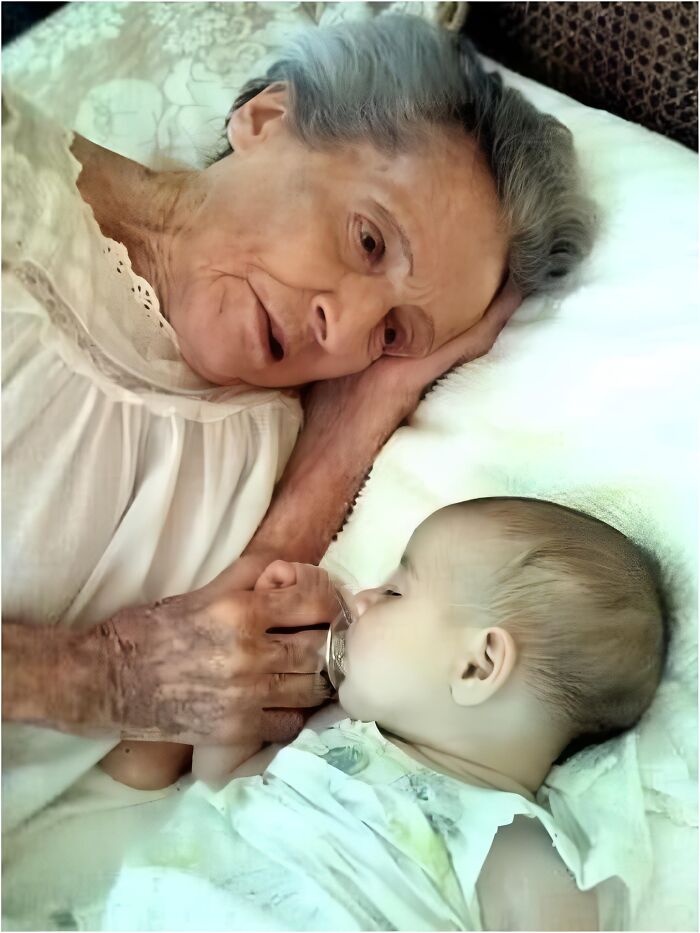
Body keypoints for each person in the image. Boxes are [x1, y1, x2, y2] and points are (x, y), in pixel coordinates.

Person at [2, 14, 595, 822]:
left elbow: (168, 731)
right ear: (266, 119)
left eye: (390, 333)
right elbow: (137, 688)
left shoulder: (252, 452)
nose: (345, 333)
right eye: (367, 239)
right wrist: (95, 674)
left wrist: (364, 416)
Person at [90, 497, 667, 931]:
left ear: (476, 666)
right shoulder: (337, 730)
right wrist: (242, 683)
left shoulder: (511, 842)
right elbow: (222, 786)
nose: (362, 598)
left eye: (394, 593)